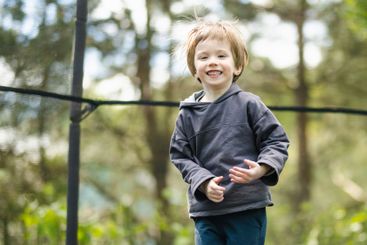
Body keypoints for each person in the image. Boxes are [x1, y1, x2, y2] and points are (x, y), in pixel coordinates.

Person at [169, 18, 289, 245]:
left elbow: (276, 141)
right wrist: (203, 182)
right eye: (204, 57)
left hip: (246, 207)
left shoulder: (249, 104)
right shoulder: (187, 114)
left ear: (237, 65)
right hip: (206, 212)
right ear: (195, 68)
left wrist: (261, 169)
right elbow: (180, 156)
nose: (212, 62)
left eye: (221, 56)